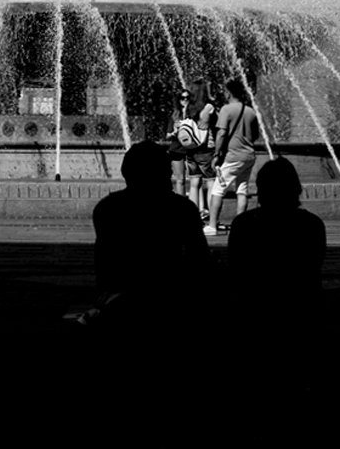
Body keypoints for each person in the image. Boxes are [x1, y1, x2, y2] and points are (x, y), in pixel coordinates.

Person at [89, 140, 210, 334]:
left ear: (127, 173)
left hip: (122, 298)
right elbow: (200, 258)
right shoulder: (181, 209)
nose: (171, 175)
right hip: (169, 297)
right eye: (167, 169)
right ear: (160, 173)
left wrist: (107, 293)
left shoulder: (108, 208)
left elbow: (103, 261)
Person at [228, 157, 326, 339]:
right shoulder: (311, 224)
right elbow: (313, 267)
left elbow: (236, 268)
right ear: (296, 188)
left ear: (261, 189)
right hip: (300, 311)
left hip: (254, 310)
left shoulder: (244, 224)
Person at [205, 78, 260, 237]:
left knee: (217, 190)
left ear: (228, 92)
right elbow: (255, 134)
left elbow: (221, 133)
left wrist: (216, 154)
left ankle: (212, 225)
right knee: (242, 190)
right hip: (248, 156)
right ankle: (239, 226)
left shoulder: (226, 110)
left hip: (232, 156)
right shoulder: (250, 111)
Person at [184, 79, 217, 223]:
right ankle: (212, 221)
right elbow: (218, 122)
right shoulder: (209, 107)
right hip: (206, 150)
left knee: (193, 184)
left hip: (191, 151)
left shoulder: (188, 108)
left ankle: (193, 218)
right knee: (211, 183)